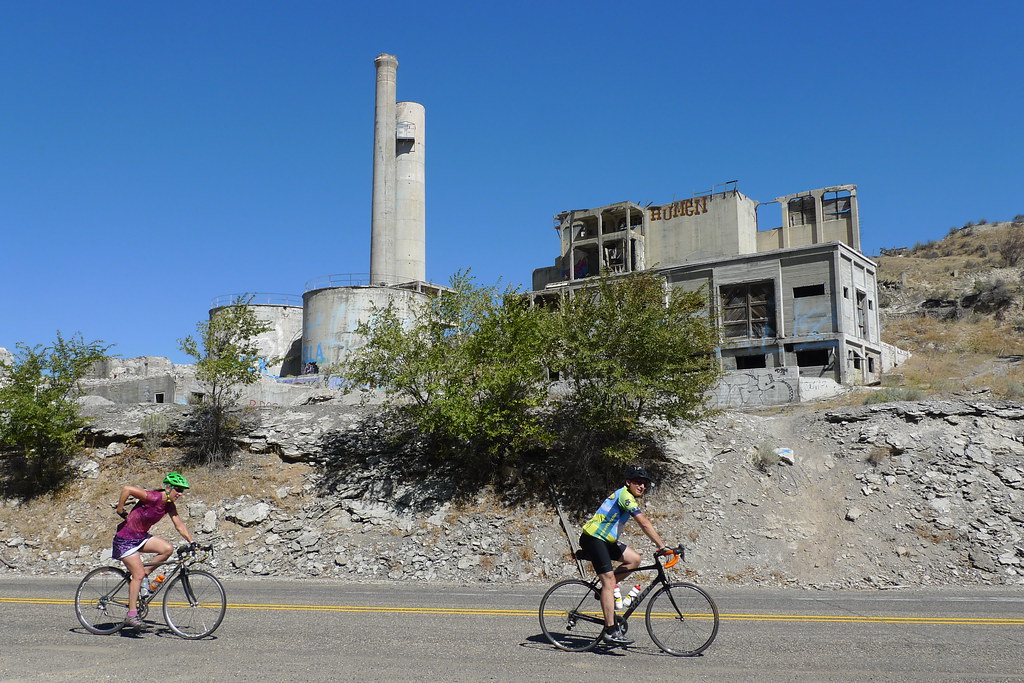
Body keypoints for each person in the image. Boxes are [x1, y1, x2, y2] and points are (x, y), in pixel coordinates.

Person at [579, 465, 670, 646]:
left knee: (634, 559)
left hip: (606, 540)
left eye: (644, 483)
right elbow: (643, 523)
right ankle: (610, 631)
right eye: (638, 482)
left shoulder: (627, 495)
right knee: (609, 582)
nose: (642, 486)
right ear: (628, 482)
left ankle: (605, 592)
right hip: (593, 538)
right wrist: (662, 546)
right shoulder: (625, 496)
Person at [112, 472, 196, 629]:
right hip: (125, 540)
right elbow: (127, 489)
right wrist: (120, 509)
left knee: (167, 549)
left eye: (182, 491)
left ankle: (144, 575)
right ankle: (131, 614)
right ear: (168, 487)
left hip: (140, 537)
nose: (179, 493)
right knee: (137, 575)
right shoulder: (153, 497)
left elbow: (179, 525)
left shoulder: (169, 505)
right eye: (177, 489)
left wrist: (192, 542)